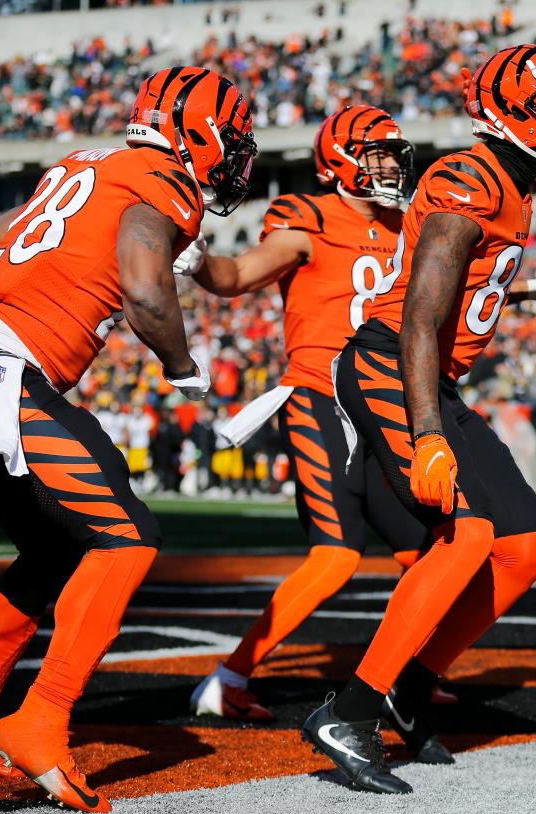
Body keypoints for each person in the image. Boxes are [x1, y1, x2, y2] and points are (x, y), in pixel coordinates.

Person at [0, 66, 257, 812]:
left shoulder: (78, 169)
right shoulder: (161, 180)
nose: (235, 157)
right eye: (231, 140)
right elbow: (147, 288)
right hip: (6, 379)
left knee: (53, 549)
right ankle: (41, 717)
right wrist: (182, 367)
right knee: (128, 538)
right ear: (196, 131)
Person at [301, 44, 536, 794]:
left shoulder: (513, 183)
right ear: (515, 116)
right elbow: (419, 314)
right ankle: (352, 710)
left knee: (528, 546)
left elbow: (460, 293)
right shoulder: (470, 177)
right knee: (467, 535)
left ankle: (410, 683)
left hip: (436, 374)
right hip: (390, 365)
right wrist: (428, 430)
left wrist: (531, 296)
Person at [179, 105, 435, 726]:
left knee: (428, 554)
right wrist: (197, 261)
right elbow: (236, 274)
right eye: (376, 154)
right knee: (336, 557)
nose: (390, 166)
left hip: (384, 405)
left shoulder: (409, 225)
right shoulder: (309, 219)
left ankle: (409, 680)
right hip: (321, 398)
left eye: (392, 154)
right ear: (341, 160)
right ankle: (229, 676)